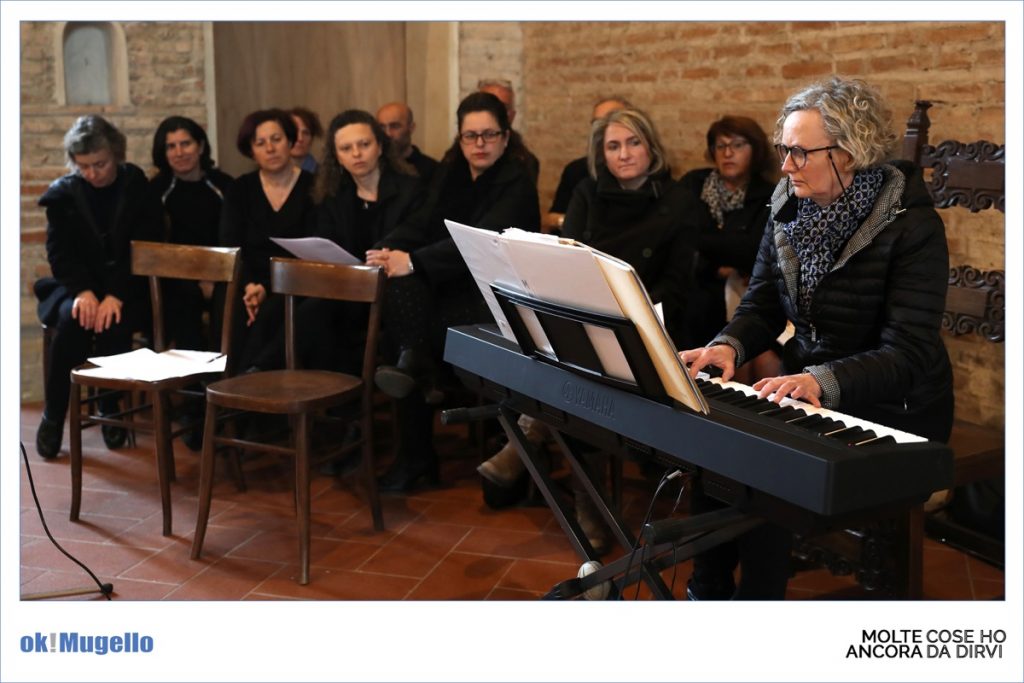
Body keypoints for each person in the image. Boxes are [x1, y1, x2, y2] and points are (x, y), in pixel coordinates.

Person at [679, 76, 955, 600]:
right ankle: (707, 591)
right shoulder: (788, 204)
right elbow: (760, 304)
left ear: (849, 152)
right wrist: (728, 346)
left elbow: (909, 352)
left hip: (895, 404)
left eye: (800, 152)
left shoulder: (912, 226)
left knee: (768, 468)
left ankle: (757, 605)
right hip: (810, 386)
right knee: (716, 442)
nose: (785, 166)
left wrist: (819, 381)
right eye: (784, 149)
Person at [477, 107, 695, 550]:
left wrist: (630, 316)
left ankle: (528, 439)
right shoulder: (587, 191)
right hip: (585, 314)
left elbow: (678, 284)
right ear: (602, 154)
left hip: (647, 323)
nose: (624, 154)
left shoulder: (677, 199)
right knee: (567, 359)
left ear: (651, 147)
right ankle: (587, 503)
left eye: (633, 143)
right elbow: (565, 261)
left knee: (581, 372)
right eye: (613, 146)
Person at [365, 91, 540, 492]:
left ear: (506, 137)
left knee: (403, 337)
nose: (479, 144)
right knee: (400, 306)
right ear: (459, 138)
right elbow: (422, 221)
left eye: (489, 135)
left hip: (492, 300)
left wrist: (413, 261)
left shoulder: (517, 183)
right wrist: (387, 249)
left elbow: (480, 242)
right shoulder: (452, 174)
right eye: (470, 136)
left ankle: (416, 453)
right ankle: (416, 368)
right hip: (447, 289)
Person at [248, 109, 424, 376]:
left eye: (364, 144)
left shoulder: (410, 189)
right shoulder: (334, 195)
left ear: (379, 147)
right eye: (346, 148)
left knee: (319, 306)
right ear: (337, 156)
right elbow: (326, 242)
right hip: (345, 286)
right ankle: (255, 374)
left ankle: (263, 369)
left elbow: (414, 236)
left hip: (391, 290)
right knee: (278, 303)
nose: (356, 154)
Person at [35, 115, 163, 459]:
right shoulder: (63, 194)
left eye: (100, 164)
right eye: (84, 166)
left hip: (129, 285)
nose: (92, 173)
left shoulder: (136, 185)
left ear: (116, 155)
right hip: (77, 286)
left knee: (114, 321)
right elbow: (59, 253)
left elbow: (145, 246)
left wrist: (116, 294)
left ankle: (110, 406)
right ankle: (54, 414)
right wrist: (83, 292)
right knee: (74, 320)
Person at [677, 115, 780, 381]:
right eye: (721, 146)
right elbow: (680, 238)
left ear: (755, 150)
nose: (728, 153)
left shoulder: (767, 194)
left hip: (742, 298)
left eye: (737, 145)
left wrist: (707, 249)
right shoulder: (693, 184)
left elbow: (755, 250)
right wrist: (720, 263)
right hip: (693, 295)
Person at [219, 108, 316, 375]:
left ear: (290, 141)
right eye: (260, 143)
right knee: (230, 302)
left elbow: (315, 247)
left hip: (298, 279)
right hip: (246, 279)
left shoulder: (315, 186)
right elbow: (231, 245)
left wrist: (267, 286)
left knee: (277, 306)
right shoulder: (239, 189)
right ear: (251, 151)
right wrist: (251, 285)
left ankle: (252, 377)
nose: (270, 148)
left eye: (276, 139)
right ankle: (232, 381)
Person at [149, 115, 234, 352]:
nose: (179, 152)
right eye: (171, 146)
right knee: (184, 296)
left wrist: (213, 278)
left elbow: (233, 237)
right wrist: (196, 281)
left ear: (201, 146)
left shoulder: (224, 185)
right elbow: (156, 247)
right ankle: (191, 372)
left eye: (186, 144)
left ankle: (224, 366)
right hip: (173, 275)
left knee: (228, 296)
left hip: (221, 272)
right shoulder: (155, 191)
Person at [543, 96, 631, 233]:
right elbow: (551, 219)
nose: (623, 156)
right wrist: (574, 221)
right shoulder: (578, 172)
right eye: (597, 123)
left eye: (613, 119)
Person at [477, 78, 540, 184]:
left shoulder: (525, 162)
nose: (495, 113)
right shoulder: (455, 159)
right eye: (489, 106)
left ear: (512, 115)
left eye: (503, 108)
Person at [376, 101, 440, 182]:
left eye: (395, 126)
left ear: (411, 128)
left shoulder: (433, 170)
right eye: (381, 127)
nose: (387, 133)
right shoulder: (372, 167)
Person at [289, 106, 323, 173]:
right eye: (294, 131)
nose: (300, 138)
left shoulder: (323, 174)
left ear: (311, 139)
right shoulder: (270, 172)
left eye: (306, 133)